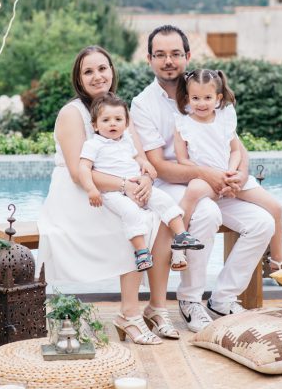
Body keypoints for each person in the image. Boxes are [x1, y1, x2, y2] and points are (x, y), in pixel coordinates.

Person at [130, 25, 275, 332]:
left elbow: (234, 143)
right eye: (160, 55)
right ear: (149, 59)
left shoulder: (205, 89)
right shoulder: (143, 104)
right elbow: (159, 165)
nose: (168, 60)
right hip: (174, 186)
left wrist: (240, 173)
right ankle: (190, 300)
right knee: (207, 214)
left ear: (187, 55)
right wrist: (205, 174)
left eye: (175, 54)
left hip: (218, 180)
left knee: (263, 222)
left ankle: (223, 298)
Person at [37, 45, 180, 346]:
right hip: (80, 194)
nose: (97, 76)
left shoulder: (118, 109)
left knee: (161, 216)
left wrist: (144, 180)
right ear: (79, 78)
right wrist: (126, 186)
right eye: (88, 71)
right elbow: (79, 173)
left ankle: (153, 308)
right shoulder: (72, 113)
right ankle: (130, 314)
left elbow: (142, 159)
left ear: (112, 71)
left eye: (102, 68)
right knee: (131, 223)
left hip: (118, 189)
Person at [173, 68, 282, 273]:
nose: (201, 103)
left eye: (207, 97)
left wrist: (230, 173)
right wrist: (208, 174)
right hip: (205, 178)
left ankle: (277, 257)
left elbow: (236, 151)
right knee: (192, 192)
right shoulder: (183, 123)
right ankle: (178, 247)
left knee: (276, 208)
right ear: (187, 98)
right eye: (195, 98)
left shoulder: (226, 116)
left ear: (218, 98)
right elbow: (182, 159)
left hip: (231, 176)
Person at [78, 93, 204, 273]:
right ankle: (142, 252)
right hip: (113, 192)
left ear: (126, 123)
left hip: (138, 186)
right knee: (131, 213)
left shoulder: (127, 140)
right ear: (95, 125)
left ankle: (181, 235)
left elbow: (136, 157)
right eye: (106, 120)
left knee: (165, 201)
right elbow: (84, 168)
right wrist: (91, 189)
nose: (113, 123)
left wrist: (146, 165)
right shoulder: (94, 144)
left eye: (118, 119)